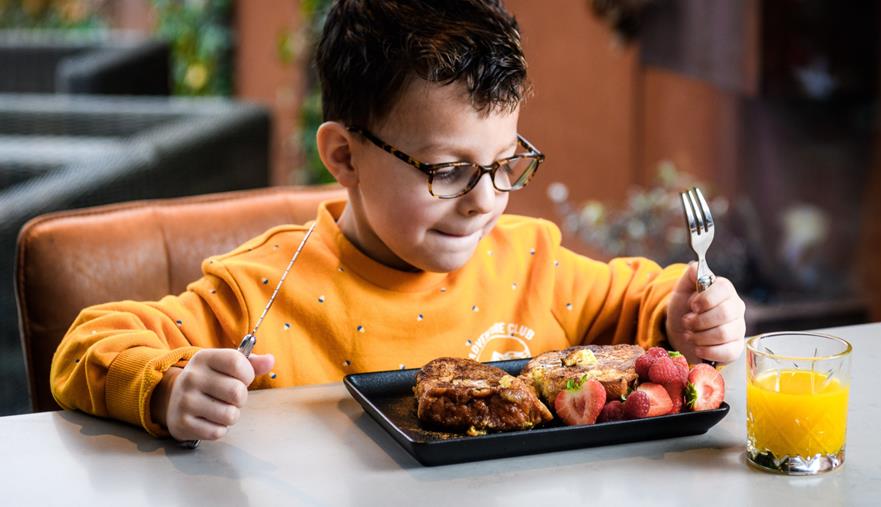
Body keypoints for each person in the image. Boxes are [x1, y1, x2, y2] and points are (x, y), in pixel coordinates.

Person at [50, 0, 746, 442]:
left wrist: (690, 313)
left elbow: (644, 297)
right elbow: (88, 343)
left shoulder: (532, 260)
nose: (484, 201)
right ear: (344, 156)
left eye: (505, 163)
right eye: (447, 170)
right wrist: (169, 385)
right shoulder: (263, 289)